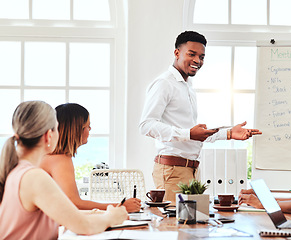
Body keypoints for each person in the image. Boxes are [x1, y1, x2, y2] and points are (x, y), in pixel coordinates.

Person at [139, 31, 262, 202]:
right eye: (192, 54)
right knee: (173, 226)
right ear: (176, 53)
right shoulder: (164, 83)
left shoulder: (187, 86)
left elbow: (194, 134)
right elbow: (146, 125)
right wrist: (189, 134)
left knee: (192, 226)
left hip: (191, 170)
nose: (198, 60)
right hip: (172, 170)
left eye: (202, 56)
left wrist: (228, 133)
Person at [0, 101, 127, 239]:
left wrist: (99, 213)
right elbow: (85, 226)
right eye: (57, 129)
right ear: (49, 135)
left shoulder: (16, 170)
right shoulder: (34, 177)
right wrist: (112, 217)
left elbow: (63, 214)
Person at [40, 103, 141, 213]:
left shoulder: (50, 155)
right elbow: (74, 203)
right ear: (77, 130)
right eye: (88, 126)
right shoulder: (59, 160)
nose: (90, 129)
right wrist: (121, 206)